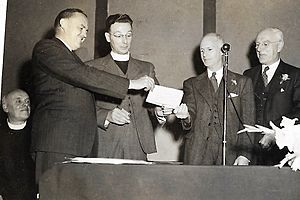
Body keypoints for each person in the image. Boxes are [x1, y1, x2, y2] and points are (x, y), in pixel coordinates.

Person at [31, 8, 155, 181]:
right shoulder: (47, 48)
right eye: (80, 28)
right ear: (63, 23)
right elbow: (85, 75)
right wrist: (132, 84)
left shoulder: (71, 58)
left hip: (76, 144)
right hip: (59, 143)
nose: (84, 34)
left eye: (86, 30)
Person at [86, 14, 166, 160]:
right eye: (118, 36)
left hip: (137, 144)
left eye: (128, 35)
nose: (125, 41)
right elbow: (83, 108)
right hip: (105, 142)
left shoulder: (146, 68)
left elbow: (154, 103)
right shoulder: (92, 68)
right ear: (108, 37)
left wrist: (158, 111)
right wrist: (107, 115)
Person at [174, 33, 255, 165]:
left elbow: (248, 122)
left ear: (223, 51)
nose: (204, 54)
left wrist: (244, 155)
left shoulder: (242, 83)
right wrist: (186, 117)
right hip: (198, 154)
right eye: (202, 51)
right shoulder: (191, 84)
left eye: (209, 49)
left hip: (231, 153)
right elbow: (191, 114)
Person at [243, 28, 300, 165]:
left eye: (265, 44)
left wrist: (276, 133)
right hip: (251, 152)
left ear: (279, 46)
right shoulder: (248, 75)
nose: (259, 49)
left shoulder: (295, 75)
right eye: (257, 45)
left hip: (281, 152)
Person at [0, 89, 36, 199]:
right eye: (18, 101)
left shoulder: (38, 132)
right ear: (5, 107)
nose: (25, 105)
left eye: (27, 101)